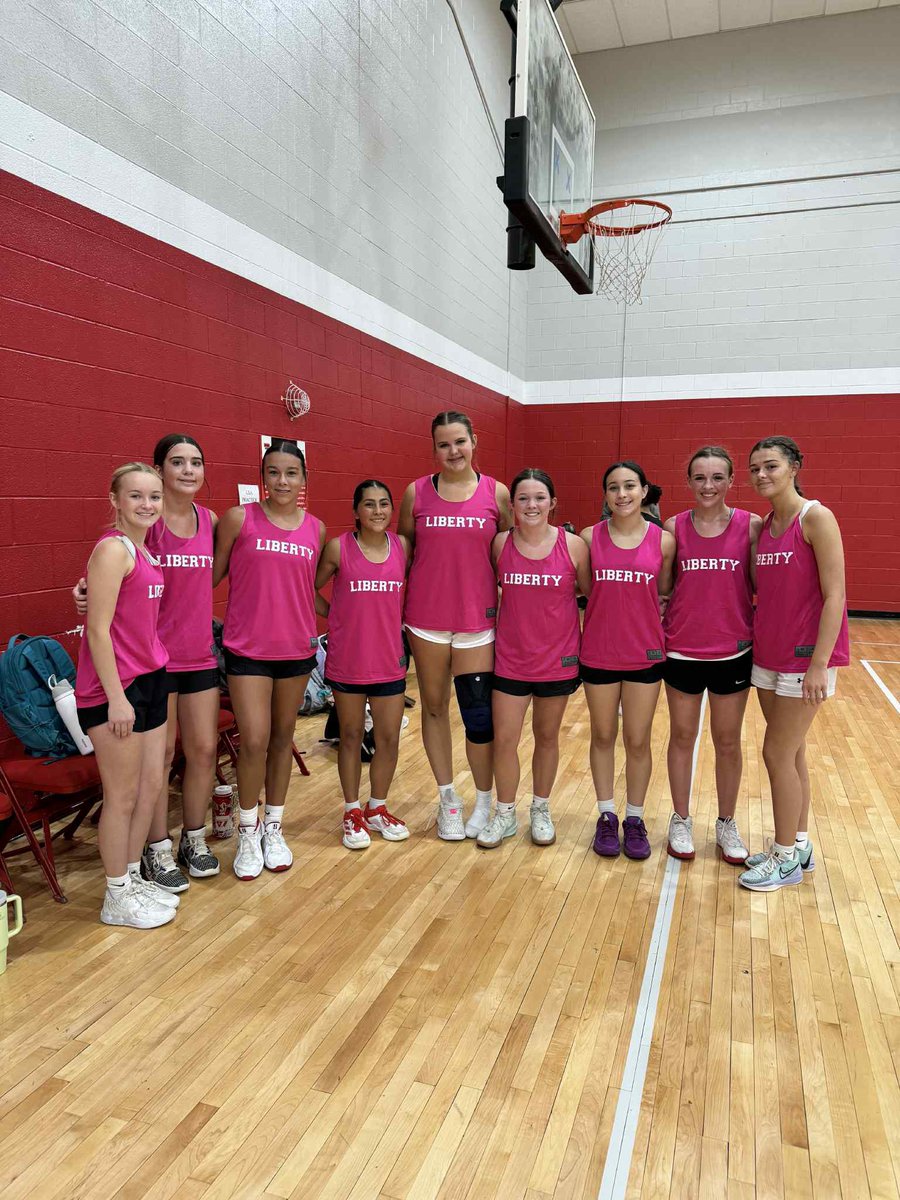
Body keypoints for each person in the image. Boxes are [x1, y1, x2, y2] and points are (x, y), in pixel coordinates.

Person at [75, 434, 222, 894]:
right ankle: (155, 851)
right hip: (147, 664)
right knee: (156, 763)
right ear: (160, 470)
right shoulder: (142, 527)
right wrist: (83, 593)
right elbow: (103, 581)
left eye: (195, 462)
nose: (187, 470)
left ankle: (192, 840)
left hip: (194, 653)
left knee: (202, 751)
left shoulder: (210, 521)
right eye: (177, 462)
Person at [739, 436, 849, 892]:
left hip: (806, 661)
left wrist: (820, 663)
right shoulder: (766, 526)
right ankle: (798, 845)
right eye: (755, 468)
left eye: (771, 466)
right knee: (793, 751)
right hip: (769, 654)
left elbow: (835, 595)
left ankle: (783, 859)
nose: (762, 475)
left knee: (776, 753)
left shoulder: (816, 517)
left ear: (795, 467)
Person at [213, 440, 326, 880]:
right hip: (247, 650)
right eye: (274, 472)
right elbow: (207, 575)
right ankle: (248, 829)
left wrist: (355, 616)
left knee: (282, 739)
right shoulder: (238, 519)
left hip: (297, 649)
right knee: (255, 740)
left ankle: (273, 827)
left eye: (291, 473)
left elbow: (309, 590)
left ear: (304, 479)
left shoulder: (316, 529)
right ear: (263, 477)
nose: (282, 481)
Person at [399, 411, 513, 841]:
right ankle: (448, 798)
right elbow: (404, 552)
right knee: (433, 707)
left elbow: (510, 549)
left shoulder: (496, 493)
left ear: (474, 441)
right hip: (426, 620)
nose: (453, 451)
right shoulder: (416, 493)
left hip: (476, 620)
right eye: (444, 444)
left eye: (460, 441)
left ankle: (483, 800)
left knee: (478, 716)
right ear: (434, 448)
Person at [75, 463, 176, 928]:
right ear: (115, 500)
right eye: (135, 495)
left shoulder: (144, 551)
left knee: (151, 786)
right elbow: (97, 631)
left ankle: (132, 876)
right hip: (116, 687)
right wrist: (116, 698)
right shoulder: (112, 550)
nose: (146, 504)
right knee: (122, 795)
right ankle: (116, 895)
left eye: (154, 496)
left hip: (152, 677)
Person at [476, 469, 590, 849]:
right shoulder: (500, 544)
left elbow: (590, 594)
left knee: (546, 737)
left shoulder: (574, 547)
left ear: (552, 503)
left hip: (557, 659)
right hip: (511, 659)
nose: (531, 505)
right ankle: (505, 813)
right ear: (512, 505)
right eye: (523, 498)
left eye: (539, 497)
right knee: (505, 739)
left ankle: (540, 808)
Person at [662, 446, 761, 863]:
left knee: (727, 741)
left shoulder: (750, 526)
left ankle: (726, 822)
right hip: (682, 650)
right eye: (700, 477)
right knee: (682, 736)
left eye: (717, 477)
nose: (708, 486)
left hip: (732, 651)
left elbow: (758, 585)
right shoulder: (673, 527)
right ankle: (680, 819)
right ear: (688, 481)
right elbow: (665, 587)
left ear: (731, 481)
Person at [580, 461, 675, 860]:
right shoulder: (589, 538)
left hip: (645, 653)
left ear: (644, 491)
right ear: (605, 494)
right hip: (599, 651)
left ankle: (634, 818)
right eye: (613, 487)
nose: (622, 494)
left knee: (637, 739)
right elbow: (588, 590)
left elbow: (664, 592)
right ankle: (606, 815)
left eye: (630, 486)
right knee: (603, 735)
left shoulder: (664, 541)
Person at [316, 480, 411, 850]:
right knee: (352, 736)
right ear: (356, 511)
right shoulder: (338, 548)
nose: (377, 511)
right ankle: (352, 810)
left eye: (384, 504)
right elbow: (308, 586)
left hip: (388, 658)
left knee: (388, 737)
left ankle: (377, 808)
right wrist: (335, 616)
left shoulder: (402, 547)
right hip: (349, 659)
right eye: (369, 504)